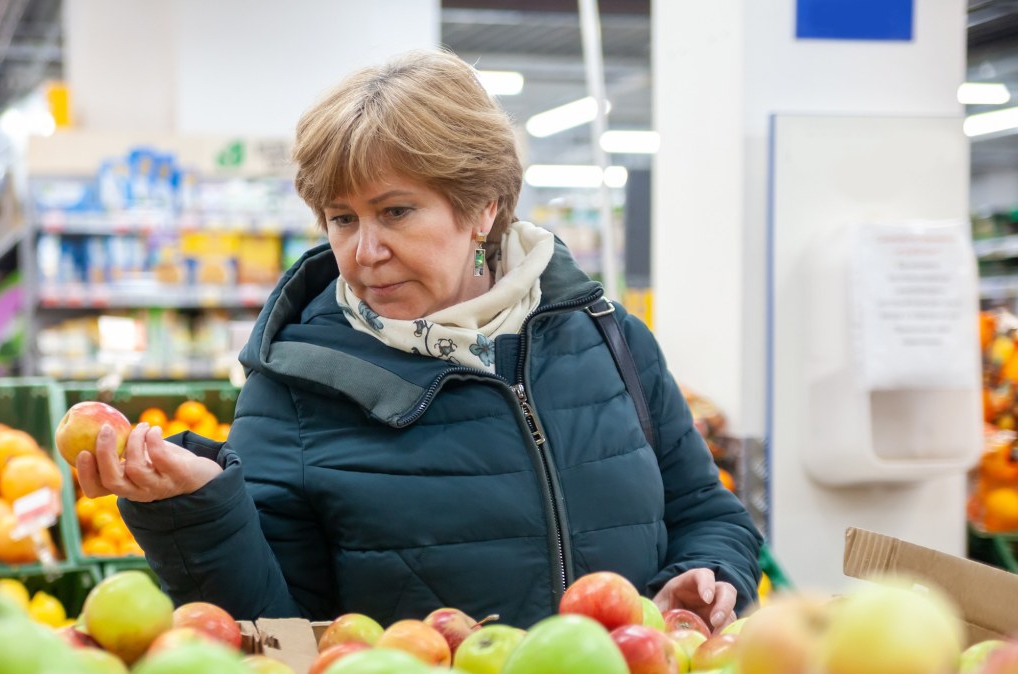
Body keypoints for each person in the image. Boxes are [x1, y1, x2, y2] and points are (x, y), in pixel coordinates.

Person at [77, 49, 763, 630]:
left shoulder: (608, 339)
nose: (365, 250)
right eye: (342, 219)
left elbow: (708, 513)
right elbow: (275, 634)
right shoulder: (294, 388)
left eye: (396, 211)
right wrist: (197, 512)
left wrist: (709, 575)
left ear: (483, 206)